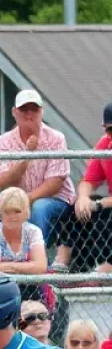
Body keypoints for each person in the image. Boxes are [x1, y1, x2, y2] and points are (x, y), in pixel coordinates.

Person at [0, 89, 75, 256]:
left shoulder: (56, 138)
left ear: (42, 111)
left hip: (55, 200)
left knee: (40, 208)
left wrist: (27, 199)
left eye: (34, 109)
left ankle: (32, 260)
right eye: (24, 109)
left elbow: (55, 182)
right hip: (16, 199)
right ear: (14, 112)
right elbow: (2, 184)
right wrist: (26, 156)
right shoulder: (4, 141)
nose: (29, 114)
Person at [55, 103, 112, 274]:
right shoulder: (105, 144)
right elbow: (88, 180)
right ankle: (61, 265)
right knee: (76, 207)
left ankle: (104, 270)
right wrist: (83, 198)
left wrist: (100, 204)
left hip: (109, 204)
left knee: (104, 213)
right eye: (109, 130)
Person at [0, 187, 47, 277]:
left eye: (17, 211)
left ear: (26, 213)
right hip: (0, 285)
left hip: (31, 285)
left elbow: (41, 267)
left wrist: (6, 266)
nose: (12, 217)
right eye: (7, 212)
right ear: (0, 214)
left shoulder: (33, 231)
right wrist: (29, 266)